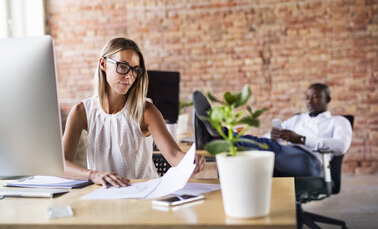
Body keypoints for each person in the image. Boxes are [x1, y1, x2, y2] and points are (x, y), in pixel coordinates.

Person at [63, 37, 205, 188]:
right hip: (104, 196)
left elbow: (174, 155)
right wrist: (93, 175)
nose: (130, 76)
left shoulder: (146, 111)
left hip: (143, 193)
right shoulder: (81, 111)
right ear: (103, 64)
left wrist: (191, 161)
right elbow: (60, 165)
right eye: (123, 66)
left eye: (135, 70)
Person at [195, 83, 352, 177]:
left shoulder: (338, 121)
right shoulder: (298, 118)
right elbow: (265, 141)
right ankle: (213, 137)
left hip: (311, 163)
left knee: (270, 148)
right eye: (307, 97)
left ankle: (215, 135)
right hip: (283, 154)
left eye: (316, 97)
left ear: (328, 99)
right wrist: (273, 136)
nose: (310, 101)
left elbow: (341, 146)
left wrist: (301, 139)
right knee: (255, 148)